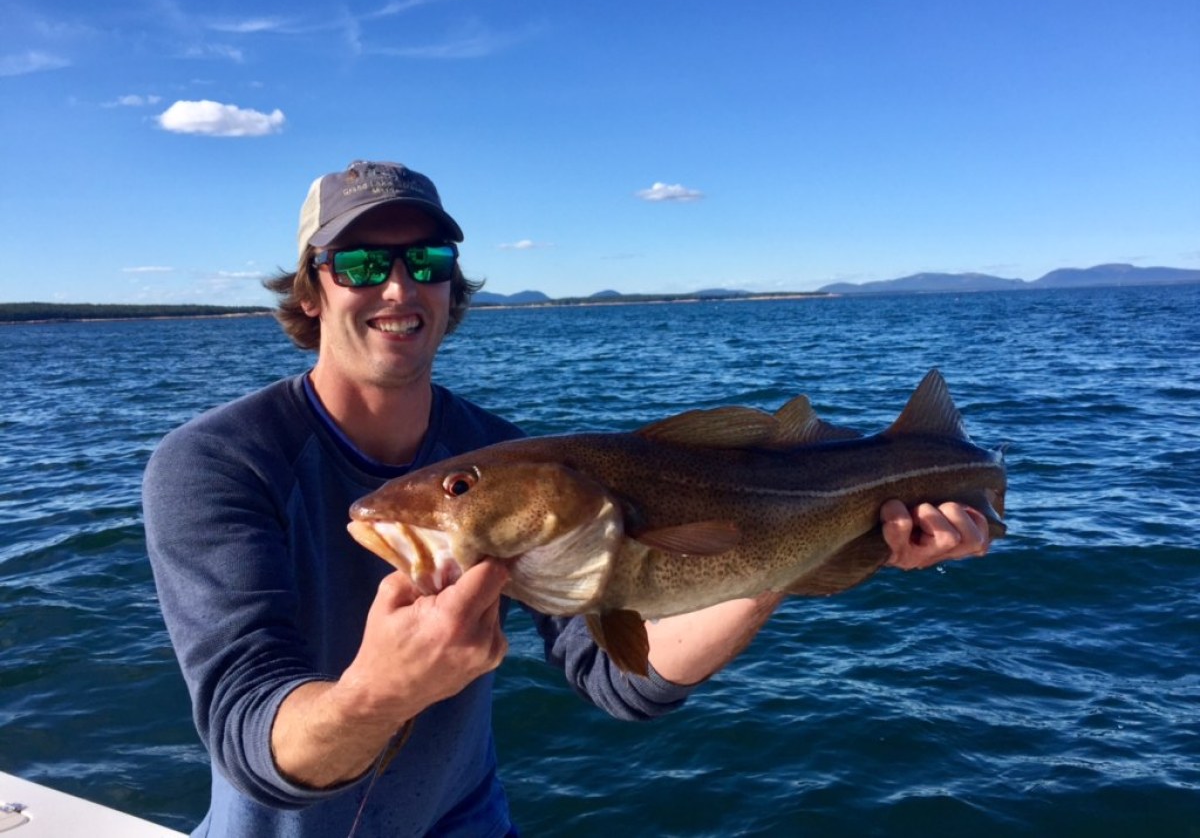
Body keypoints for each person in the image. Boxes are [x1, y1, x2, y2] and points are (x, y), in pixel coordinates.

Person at [144, 160, 992, 837]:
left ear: (450, 287)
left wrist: (786, 550)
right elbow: (245, 729)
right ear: (309, 290)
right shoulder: (214, 464)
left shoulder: (503, 449)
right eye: (362, 263)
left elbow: (617, 677)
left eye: (427, 262)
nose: (399, 288)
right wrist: (380, 692)